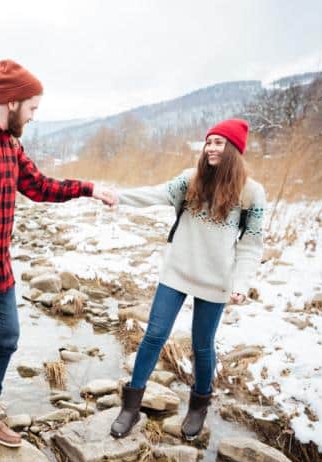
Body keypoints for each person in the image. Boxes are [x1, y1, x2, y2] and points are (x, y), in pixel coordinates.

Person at [0, 59, 114, 460]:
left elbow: (40, 185)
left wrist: (89, 189)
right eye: (32, 108)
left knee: (7, 338)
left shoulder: (10, 143)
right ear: (12, 102)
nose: (33, 116)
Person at [106, 119, 265, 440]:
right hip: (177, 272)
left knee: (202, 346)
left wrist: (241, 283)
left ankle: (198, 406)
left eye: (220, 143)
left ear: (234, 150)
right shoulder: (190, 181)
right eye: (209, 142)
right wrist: (117, 196)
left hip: (216, 280)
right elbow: (157, 193)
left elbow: (252, 243)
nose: (211, 148)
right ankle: (131, 406)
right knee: (154, 334)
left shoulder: (251, 193)